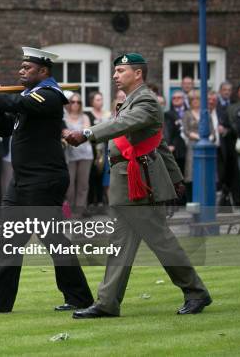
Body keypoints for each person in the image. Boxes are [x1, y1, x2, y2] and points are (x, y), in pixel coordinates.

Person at [0, 46, 94, 313]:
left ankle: (80, 297)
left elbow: (17, 104)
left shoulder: (50, 95)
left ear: (43, 71)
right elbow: (5, 127)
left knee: (53, 241)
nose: (21, 71)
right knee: (10, 238)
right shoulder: (29, 95)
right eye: (21, 67)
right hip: (22, 179)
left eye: (27, 68)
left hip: (44, 180)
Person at [65, 52, 211, 318]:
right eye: (116, 71)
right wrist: (177, 178)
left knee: (162, 242)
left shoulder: (145, 99)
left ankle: (196, 291)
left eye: (121, 71)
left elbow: (123, 124)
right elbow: (158, 143)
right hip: (129, 182)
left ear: (138, 73)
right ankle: (107, 303)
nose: (115, 76)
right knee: (121, 246)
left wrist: (87, 133)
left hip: (140, 184)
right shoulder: (132, 100)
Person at [64, 93, 93, 217]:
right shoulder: (64, 118)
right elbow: (64, 133)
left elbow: (86, 133)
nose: (76, 104)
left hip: (85, 154)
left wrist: (71, 134)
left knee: (83, 184)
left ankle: (79, 211)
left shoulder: (85, 117)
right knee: (69, 184)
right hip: (70, 154)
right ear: (69, 103)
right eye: (73, 101)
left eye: (79, 102)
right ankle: (69, 210)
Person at [183, 90, 214, 200]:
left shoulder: (206, 113)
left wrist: (208, 138)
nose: (195, 101)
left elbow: (212, 130)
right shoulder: (187, 114)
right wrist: (199, 137)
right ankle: (192, 199)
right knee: (191, 172)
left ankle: (205, 198)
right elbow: (186, 131)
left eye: (197, 99)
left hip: (206, 145)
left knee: (205, 171)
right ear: (190, 101)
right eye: (193, 99)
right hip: (192, 146)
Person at [86, 91, 111, 209]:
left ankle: (101, 201)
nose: (100, 102)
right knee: (92, 175)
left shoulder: (107, 114)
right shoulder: (88, 115)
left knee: (103, 174)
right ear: (91, 101)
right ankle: (91, 202)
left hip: (105, 148)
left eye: (101, 99)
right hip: (92, 148)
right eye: (97, 99)